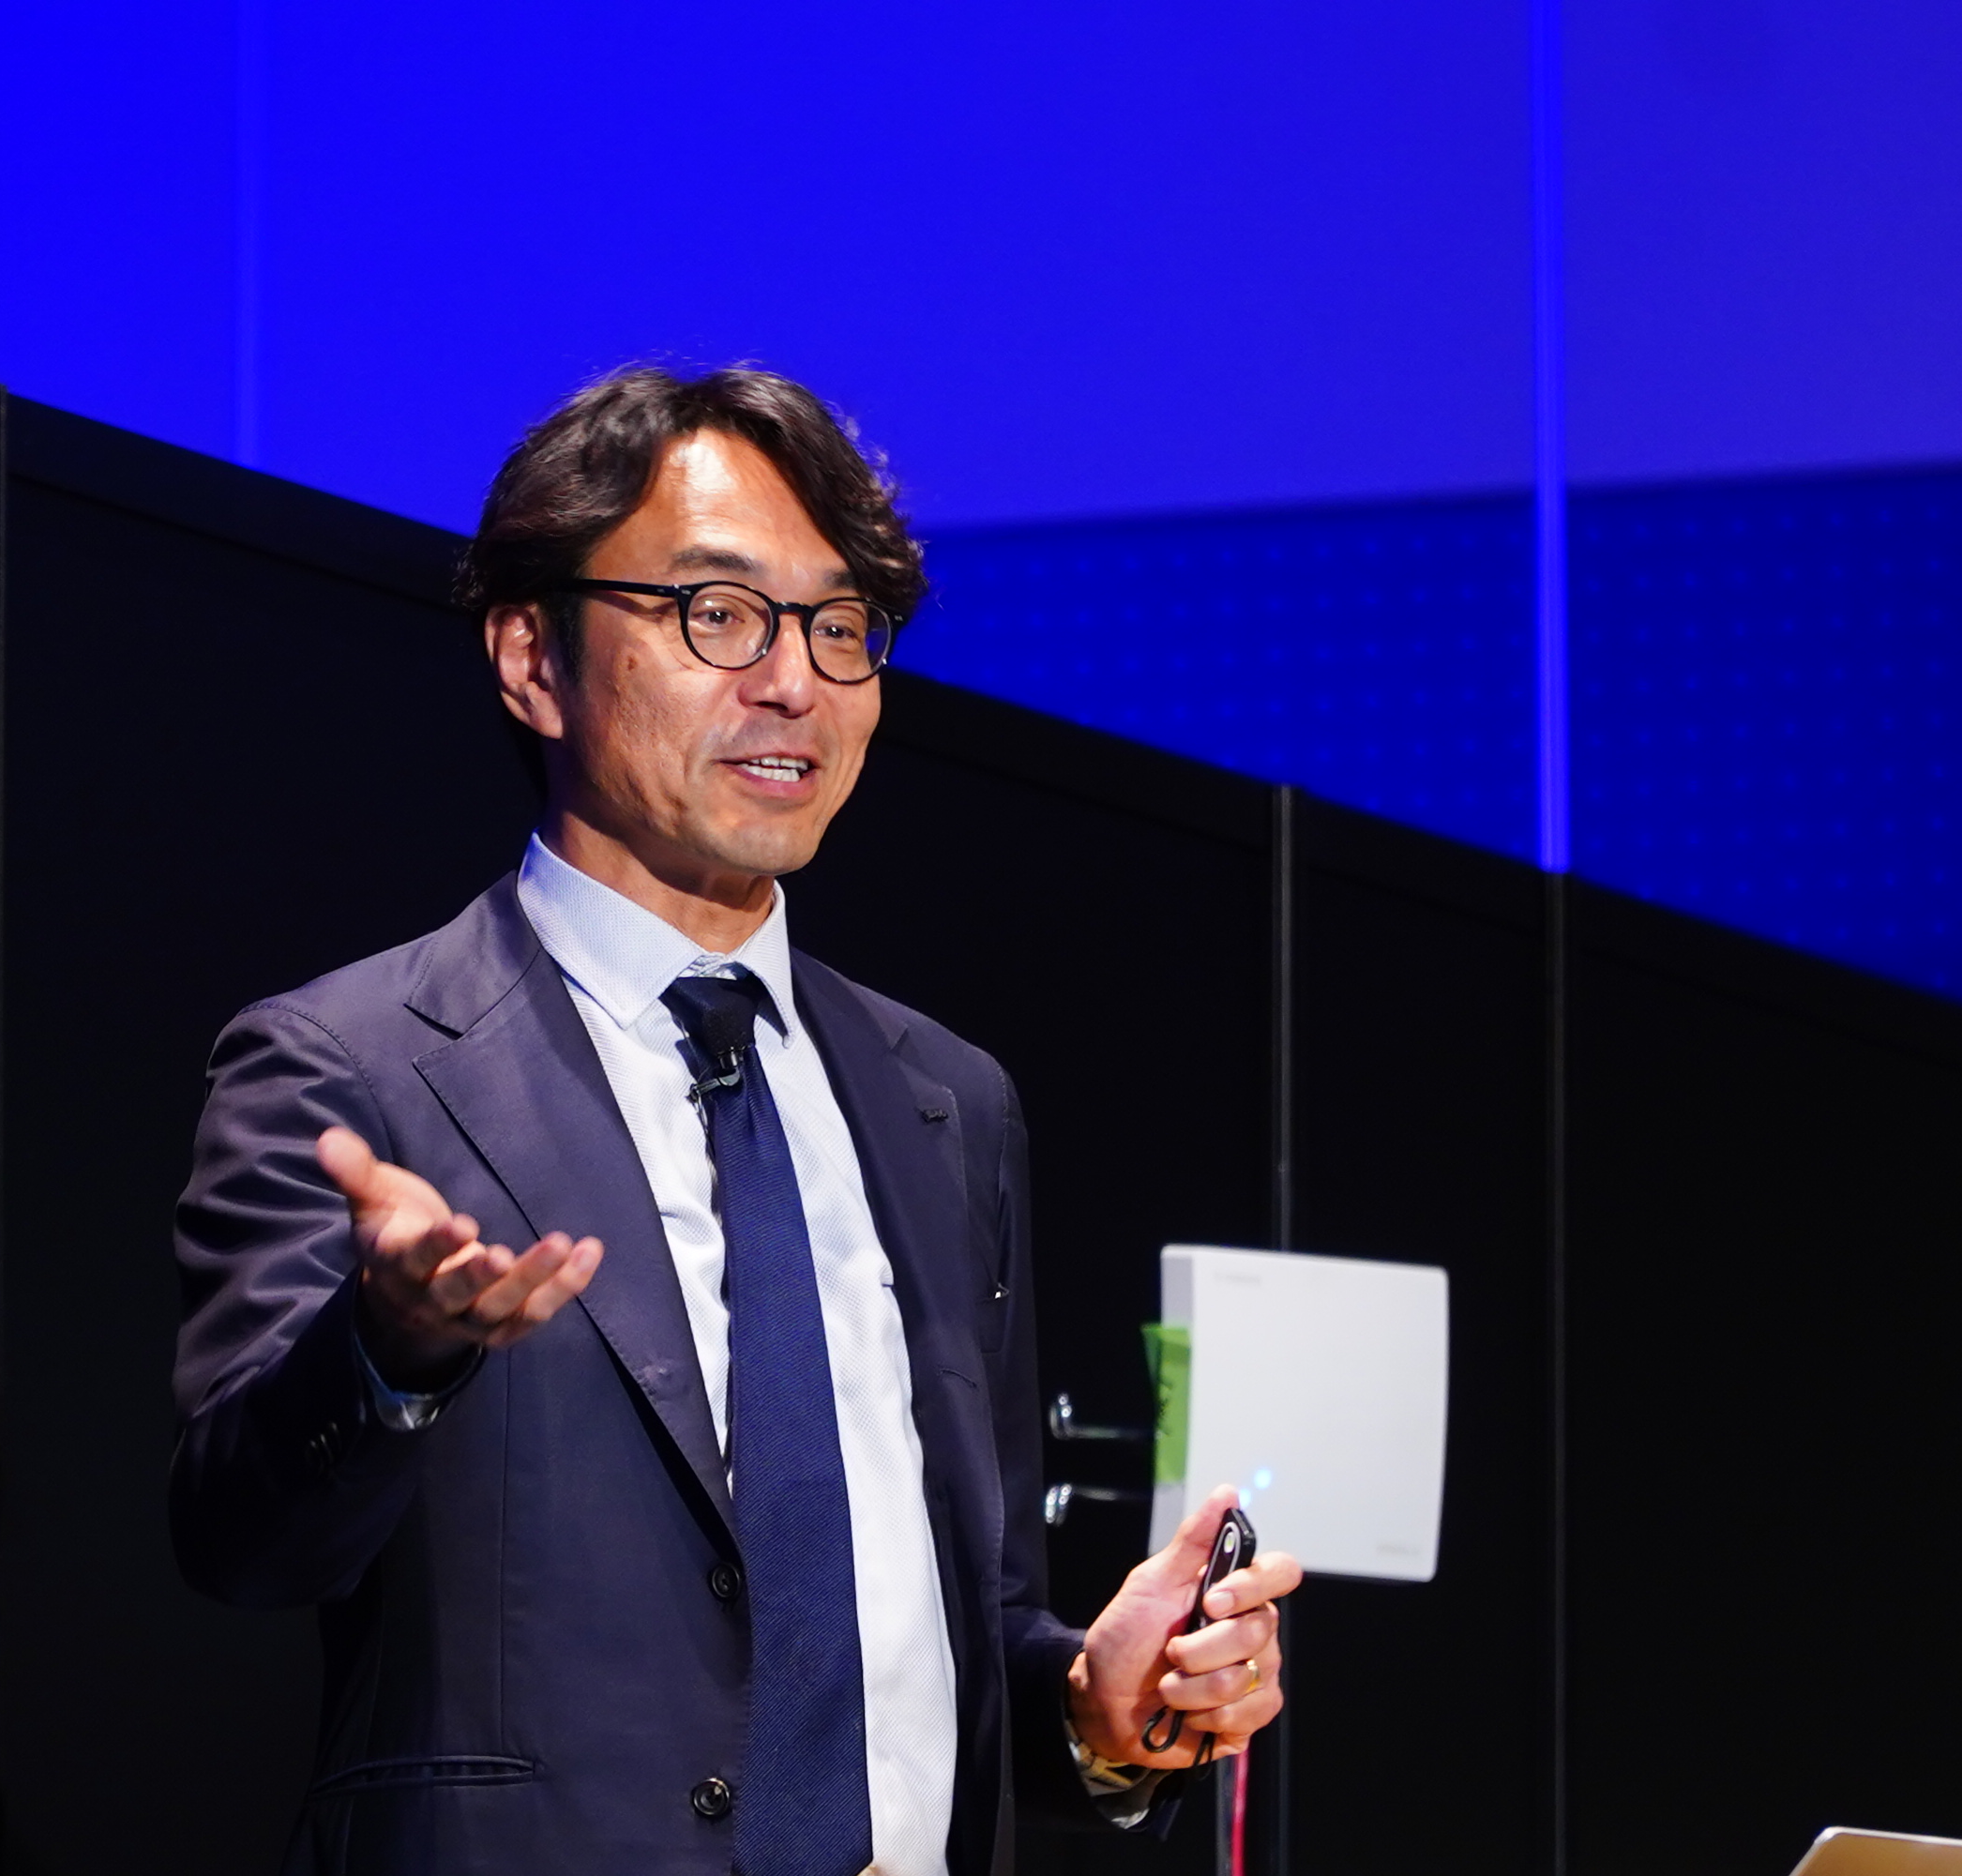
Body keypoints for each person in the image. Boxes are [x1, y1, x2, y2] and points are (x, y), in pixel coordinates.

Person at [170, 366, 1300, 1876]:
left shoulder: (948, 1101)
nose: (794, 684)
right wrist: (389, 1353)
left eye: (841, 628)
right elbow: (242, 1543)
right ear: (532, 655)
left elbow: (945, 1643)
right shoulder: (354, 1068)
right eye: (719, 614)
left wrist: (1093, 1706)